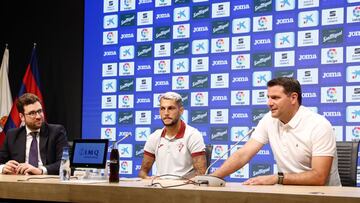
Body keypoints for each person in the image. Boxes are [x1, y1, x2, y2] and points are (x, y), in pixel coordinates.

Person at [211, 77, 341, 186]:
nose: (269, 103)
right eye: (268, 97)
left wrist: (277, 178)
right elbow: (243, 154)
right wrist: (212, 177)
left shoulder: (319, 125)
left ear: (293, 98)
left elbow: (319, 177)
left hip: (323, 196)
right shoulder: (269, 119)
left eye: (275, 98)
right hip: (287, 193)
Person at [139, 92, 206, 179]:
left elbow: (201, 173)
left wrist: (177, 182)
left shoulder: (193, 135)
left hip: (184, 188)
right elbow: (142, 172)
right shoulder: (154, 137)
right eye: (162, 108)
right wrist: (148, 178)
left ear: (181, 111)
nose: (166, 113)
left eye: (171, 108)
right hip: (160, 188)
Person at [0, 93, 69, 175]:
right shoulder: (12, 135)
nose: (38, 116)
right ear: (22, 117)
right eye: (32, 113)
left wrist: (40, 170)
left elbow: (64, 163)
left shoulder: (56, 132)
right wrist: (3, 167)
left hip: (47, 182)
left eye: (40, 111)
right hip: (19, 182)